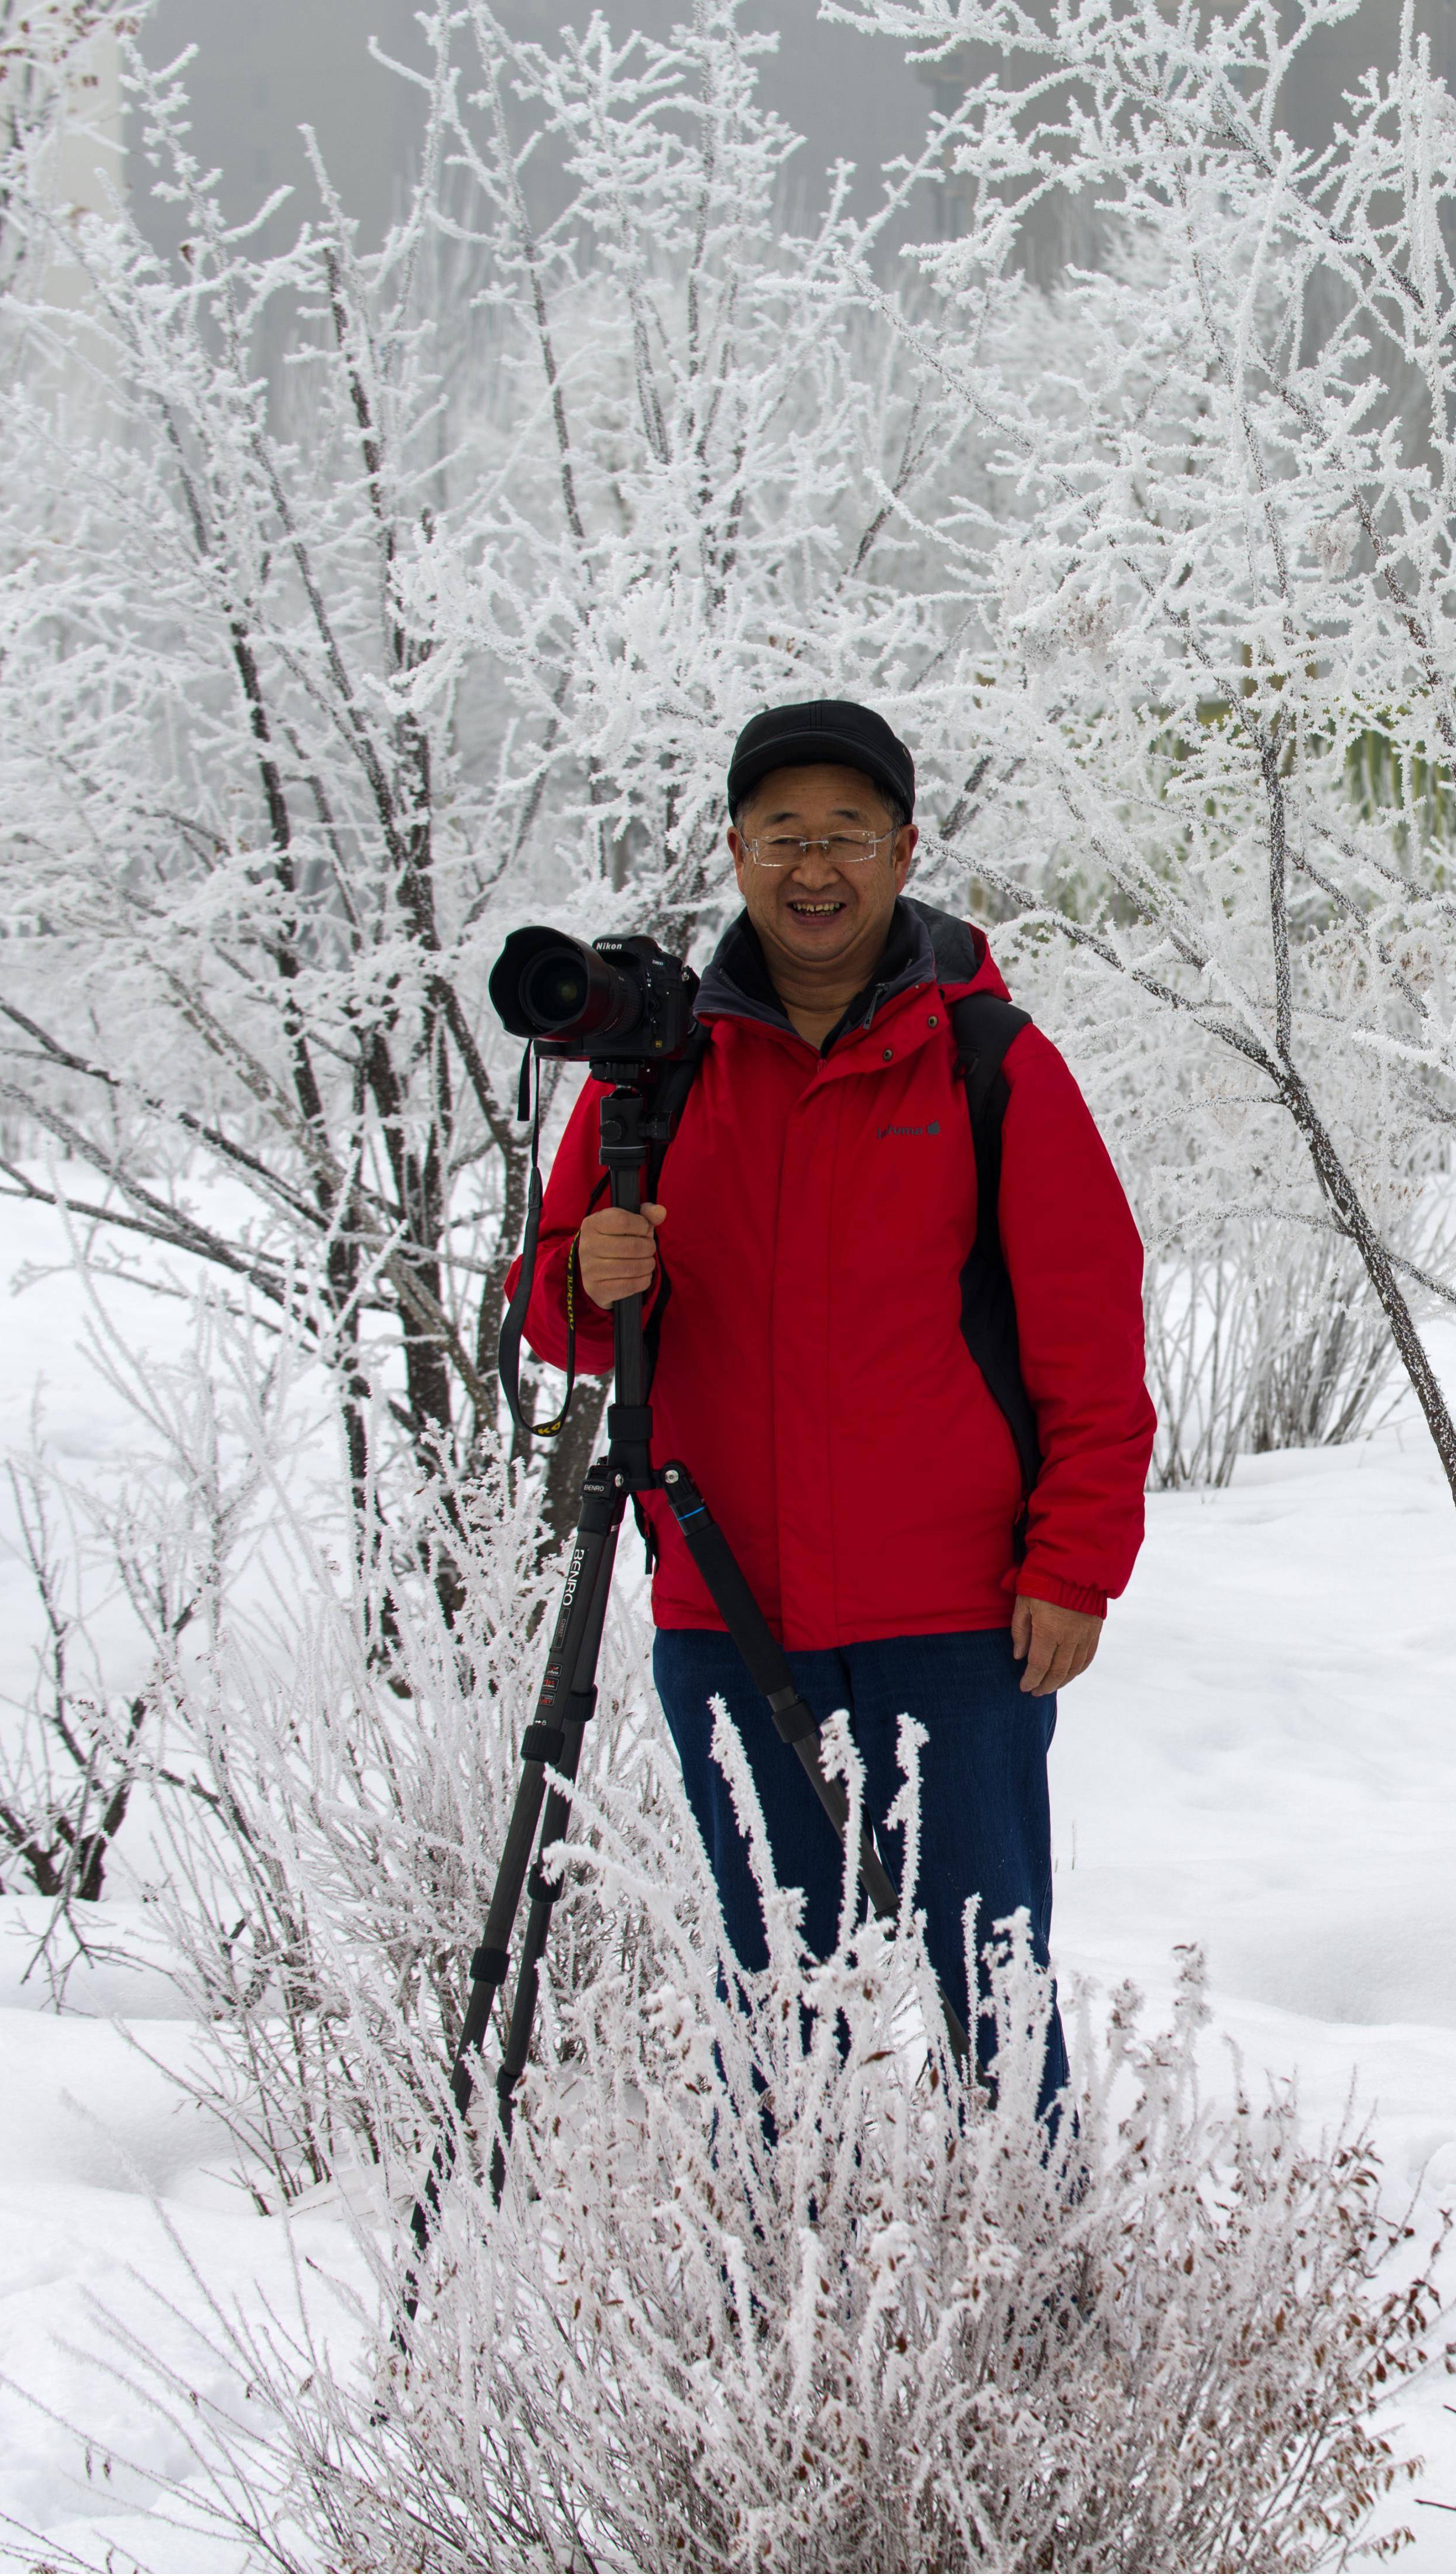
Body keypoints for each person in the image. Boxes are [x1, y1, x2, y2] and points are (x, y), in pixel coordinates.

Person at [516, 698, 1154, 2064]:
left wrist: (1076, 1562)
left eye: (850, 834)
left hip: (961, 1625)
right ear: (736, 850)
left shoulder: (992, 1064)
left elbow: (1090, 1340)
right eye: (785, 834)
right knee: (771, 2001)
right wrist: (589, 1274)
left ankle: (1033, 2272)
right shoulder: (658, 1069)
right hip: (728, 1605)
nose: (817, 868)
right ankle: (773, 2279)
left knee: (991, 1986)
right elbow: (558, 1318)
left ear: (905, 849)